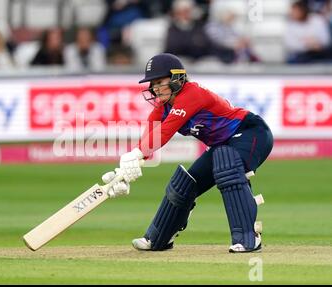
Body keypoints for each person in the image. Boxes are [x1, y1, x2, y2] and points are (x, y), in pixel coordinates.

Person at [101, 53, 273, 253]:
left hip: (251, 132)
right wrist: (125, 172)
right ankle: (158, 239)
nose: (155, 88)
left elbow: (165, 132)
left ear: (176, 78)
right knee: (185, 185)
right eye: (152, 83)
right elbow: (150, 136)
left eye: (159, 81)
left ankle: (248, 237)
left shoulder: (192, 93)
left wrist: (137, 154)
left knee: (227, 164)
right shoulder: (162, 107)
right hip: (223, 144)